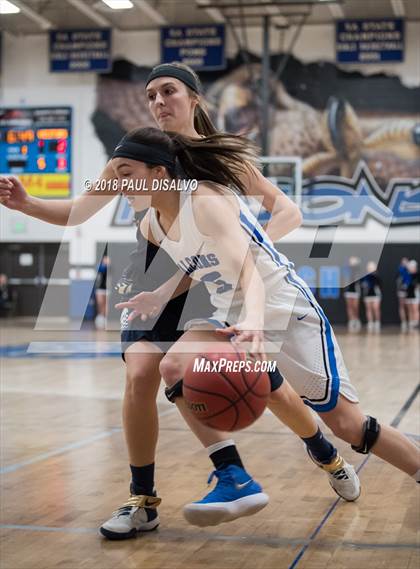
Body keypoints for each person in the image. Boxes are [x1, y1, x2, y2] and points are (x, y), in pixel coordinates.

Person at [0, 63, 358, 539]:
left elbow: (286, 210)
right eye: (150, 95)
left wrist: (249, 253)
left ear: (194, 98)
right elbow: (75, 213)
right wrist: (27, 205)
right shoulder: (134, 152)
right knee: (142, 372)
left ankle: (321, 447)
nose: (158, 102)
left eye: (168, 91)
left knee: (264, 385)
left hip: (211, 278)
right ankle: (146, 497)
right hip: (152, 273)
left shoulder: (221, 161)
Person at [111, 127, 420, 519]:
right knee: (174, 366)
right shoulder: (151, 224)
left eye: (125, 173)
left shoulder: (205, 200)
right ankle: (233, 477)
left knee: (348, 425)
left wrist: (255, 320)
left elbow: (248, 273)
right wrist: (159, 295)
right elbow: (196, 263)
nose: (116, 185)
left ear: (159, 173)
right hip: (230, 312)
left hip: (282, 306)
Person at [360, 261, 382, 332]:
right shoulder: (364, 276)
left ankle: (377, 322)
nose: (370, 269)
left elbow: (380, 285)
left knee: (376, 308)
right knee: (368, 309)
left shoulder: (376, 276)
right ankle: (370, 322)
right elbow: (362, 284)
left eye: (371, 268)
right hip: (367, 295)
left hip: (375, 295)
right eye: (369, 268)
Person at [343, 257, 361, 332]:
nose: (352, 262)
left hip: (355, 291)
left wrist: (356, 263)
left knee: (355, 306)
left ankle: (356, 319)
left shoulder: (357, 270)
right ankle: (351, 321)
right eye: (351, 261)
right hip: (348, 291)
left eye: (353, 261)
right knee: (349, 306)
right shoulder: (347, 270)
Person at [94, 254, 110, 330]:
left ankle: (104, 318)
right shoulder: (100, 267)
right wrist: (104, 264)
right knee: (100, 303)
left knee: (106, 304)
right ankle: (100, 317)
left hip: (107, 289)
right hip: (100, 288)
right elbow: (100, 270)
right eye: (105, 259)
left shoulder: (110, 267)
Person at [404, 260, 419, 331]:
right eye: (410, 267)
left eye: (412, 267)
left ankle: (416, 323)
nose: (411, 268)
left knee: (415, 309)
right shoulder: (407, 275)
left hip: (415, 294)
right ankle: (411, 322)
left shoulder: (418, 275)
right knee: (410, 309)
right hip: (408, 294)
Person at [396, 257, 410, 332]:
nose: (404, 263)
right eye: (403, 262)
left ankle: (410, 321)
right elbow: (399, 279)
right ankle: (404, 322)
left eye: (406, 262)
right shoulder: (400, 269)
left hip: (410, 292)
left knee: (409, 307)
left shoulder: (410, 270)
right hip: (401, 291)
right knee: (402, 306)